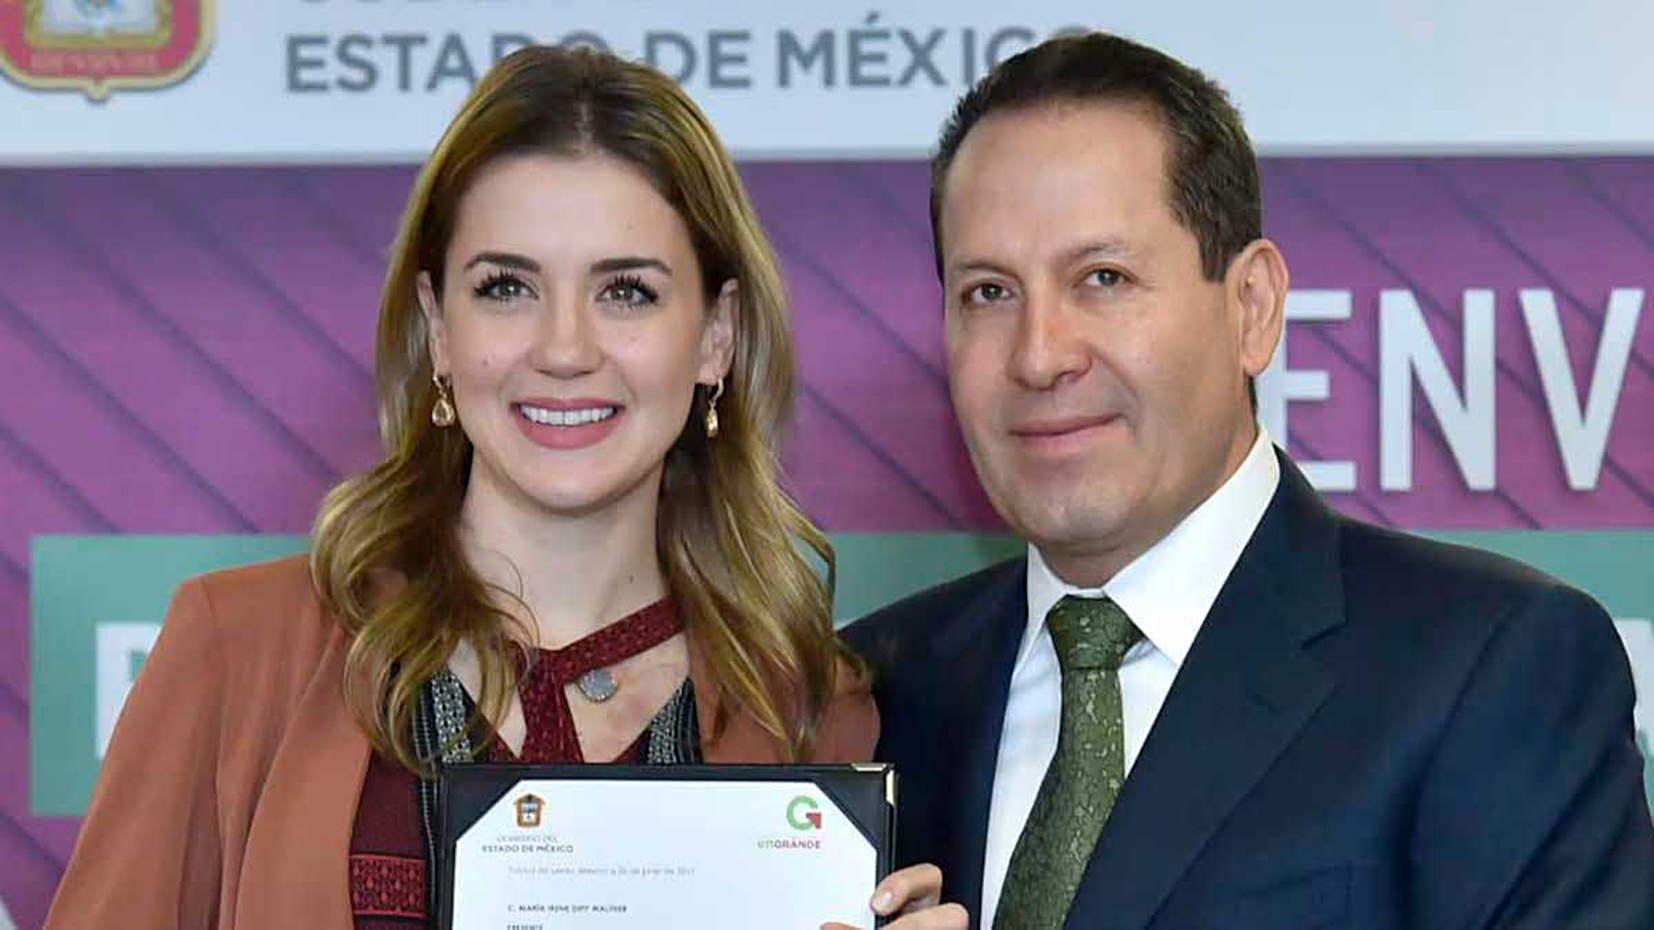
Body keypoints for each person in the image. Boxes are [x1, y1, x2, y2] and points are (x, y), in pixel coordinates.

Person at [45, 46, 952, 930]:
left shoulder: (815, 713)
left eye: (626, 292)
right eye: (507, 287)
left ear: (716, 336)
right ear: (439, 327)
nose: (564, 349)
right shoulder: (238, 650)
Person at [845, 31, 1654, 930]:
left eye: (1103, 278)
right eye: (989, 293)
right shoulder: (870, 691)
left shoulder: (1493, 668)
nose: (1039, 356)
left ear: (1252, 308)